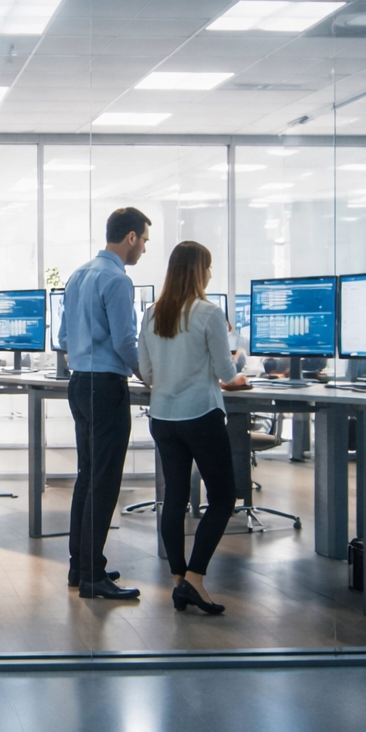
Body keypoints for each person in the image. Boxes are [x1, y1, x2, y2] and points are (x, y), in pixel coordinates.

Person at [139, 240, 249, 615]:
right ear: (198, 271)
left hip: (163, 417)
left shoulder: (151, 314)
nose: (211, 273)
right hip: (200, 415)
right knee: (223, 498)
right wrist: (237, 374)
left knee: (174, 498)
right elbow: (226, 373)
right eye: (209, 266)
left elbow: (147, 372)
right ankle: (195, 579)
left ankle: (179, 581)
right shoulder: (209, 312)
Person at [58, 208, 150, 600]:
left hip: (79, 384)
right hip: (105, 387)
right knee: (104, 480)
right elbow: (124, 341)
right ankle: (93, 577)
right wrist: (148, 374)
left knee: (88, 476)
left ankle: (81, 567)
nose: (144, 249)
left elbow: (63, 337)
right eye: (144, 240)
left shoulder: (78, 275)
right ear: (130, 237)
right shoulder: (117, 279)